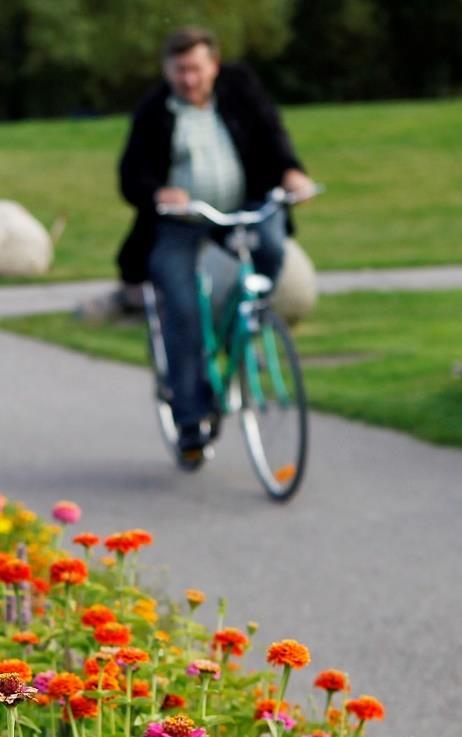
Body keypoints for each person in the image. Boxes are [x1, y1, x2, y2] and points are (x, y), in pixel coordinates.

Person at [117, 26, 314, 467]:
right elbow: (132, 176)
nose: (189, 80)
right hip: (179, 223)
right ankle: (190, 418)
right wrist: (159, 194)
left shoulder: (240, 89)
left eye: (196, 69)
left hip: (239, 209)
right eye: (180, 70)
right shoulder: (154, 110)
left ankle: (241, 330)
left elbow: (271, 134)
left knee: (271, 247)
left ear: (214, 66)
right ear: (168, 70)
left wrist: (291, 173)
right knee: (182, 308)